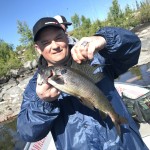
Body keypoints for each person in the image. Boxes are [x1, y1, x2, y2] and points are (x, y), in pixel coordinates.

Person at [17, 17, 149, 150]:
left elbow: (133, 46)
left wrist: (105, 39)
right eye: (46, 42)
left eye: (58, 38)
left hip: (126, 145)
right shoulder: (35, 86)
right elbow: (28, 133)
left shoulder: (95, 58)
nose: (55, 46)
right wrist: (44, 103)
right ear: (38, 48)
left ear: (66, 37)